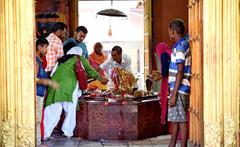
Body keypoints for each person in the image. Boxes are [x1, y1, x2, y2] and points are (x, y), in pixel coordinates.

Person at [43, 43, 108, 140]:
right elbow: (90, 70)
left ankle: (45, 134)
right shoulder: (78, 58)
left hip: (54, 87)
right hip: (70, 87)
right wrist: (100, 78)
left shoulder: (61, 60)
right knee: (70, 111)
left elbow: (52, 73)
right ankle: (68, 132)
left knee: (53, 111)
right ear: (79, 53)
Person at [167, 19, 191, 147]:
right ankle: (172, 144)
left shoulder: (180, 48)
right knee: (176, 119)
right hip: (178, 89)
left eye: (169, 32)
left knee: (181, 121)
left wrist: (174, 94)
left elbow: (180, 71)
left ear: (172, 32)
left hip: (179, 89)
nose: (169, 35)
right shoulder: (182, 45)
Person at [35, 38, 58, 146]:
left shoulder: (40, 60)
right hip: (36, 94)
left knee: (38, 119)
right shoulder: (36, 61)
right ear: (39, 47)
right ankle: (37, 142)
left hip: (39, 94)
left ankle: (38, 142)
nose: (47, 51)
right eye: (46, 48)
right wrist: (47, 82)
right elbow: (33, 79)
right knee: (37, 119)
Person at [154, 42, 172, 125]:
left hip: (171, 82)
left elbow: (165, 72)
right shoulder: (169, 52)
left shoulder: (164, 54)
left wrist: (159, 76)